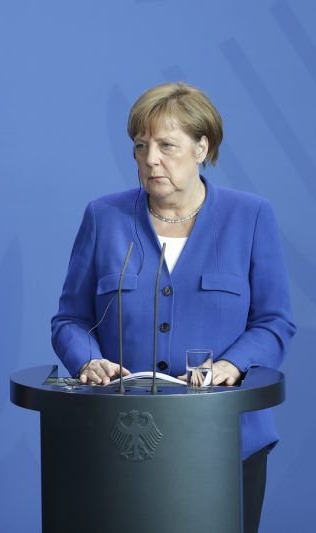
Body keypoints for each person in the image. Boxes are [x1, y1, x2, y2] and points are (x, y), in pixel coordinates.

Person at [50, 82, 295, 532]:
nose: (150, 160)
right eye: (140, 146)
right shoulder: (103, 217)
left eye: (167, 146)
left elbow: (273, 322)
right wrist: (87, 360)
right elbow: (70, 319)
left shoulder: (251, 216)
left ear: (203, 147)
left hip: (226, 440)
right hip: (118, 440)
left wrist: (232, 365)